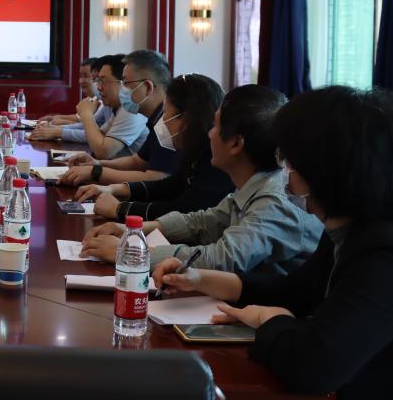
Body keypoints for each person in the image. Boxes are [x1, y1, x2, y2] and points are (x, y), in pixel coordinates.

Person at [153, 87, 393, 398]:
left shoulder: (381, 255)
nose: (284, 173)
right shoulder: (344, 230)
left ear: (322, 170)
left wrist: (269, 319)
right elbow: (293, 291)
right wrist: (200, 279)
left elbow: (312, 368)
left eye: (289, 161)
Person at [80, 84, 322, 273]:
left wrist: (133, 253)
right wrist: (134, 230)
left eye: (215, 126)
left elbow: (222, 259)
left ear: (236, 143)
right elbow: (204, 221)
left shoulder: (274, 200)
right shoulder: (255, 183)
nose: (209, 134)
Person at [74, 73, 234, 221]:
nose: (163, 121)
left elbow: (185, 210)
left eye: (166, 113)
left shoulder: (216, 161)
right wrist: (114, 189)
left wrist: (120, 209)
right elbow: (171, 185)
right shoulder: (196, 150)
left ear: (186, 120)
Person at [60, 49, 176, 185]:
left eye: (125, 83)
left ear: (147, 87)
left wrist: (96, 172)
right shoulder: (155, 119)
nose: (122, 88)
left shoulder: (170, 122)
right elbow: (137, 161)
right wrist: (97, 164)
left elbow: (156, 178)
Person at [30, 54, 146, 157]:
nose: (98, 87)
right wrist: (56, 130)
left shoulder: (131, 111)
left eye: (102, 81)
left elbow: (103, 152)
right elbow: (99, 133)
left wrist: (86, 114)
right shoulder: (118, 107)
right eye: (97, 81)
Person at [35, 56, 105, 125]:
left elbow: (96, 127)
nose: (81, 81)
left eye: (86, 76)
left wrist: (63, 125)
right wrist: (52, 118)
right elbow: (79, 118)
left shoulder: (104, 101)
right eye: (80, 76)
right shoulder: (93, 98)